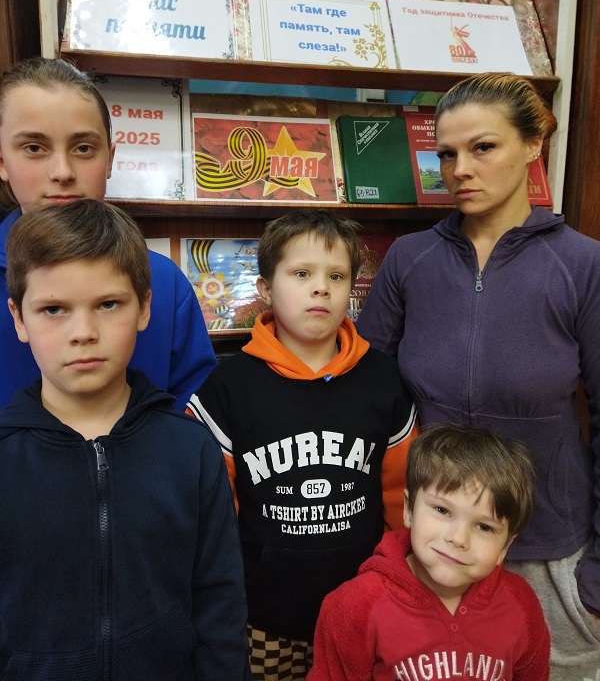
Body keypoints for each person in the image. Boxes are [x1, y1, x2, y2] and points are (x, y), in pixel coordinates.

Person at [357, 72, 600, 680]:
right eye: (446, 154)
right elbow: (361, 397)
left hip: (548, 555)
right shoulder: (410, 260)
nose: (460, 169)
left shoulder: (582, 265)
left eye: (483, 147)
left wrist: (597, 578)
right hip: (430, 546)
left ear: (533, 145)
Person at [0, 198, 250, 680]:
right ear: (19, 318)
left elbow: (220, 602)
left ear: (144, 307)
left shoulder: (192, 451)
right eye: (53, 309)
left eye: (108, 304)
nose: (83, 333)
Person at [187, 208, 417, 681]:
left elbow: (401, 494)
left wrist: (402, 578)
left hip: (365, 602)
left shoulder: (383, 378)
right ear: (265, 288)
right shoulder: (228, 386)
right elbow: (212, 511)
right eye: (301, 274)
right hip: (263, 614)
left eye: (336, 276)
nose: (321, 288)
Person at [0, 56, 216, 410]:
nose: (62, 171)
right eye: (34, 148)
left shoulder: (164, 283)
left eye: (83, 148)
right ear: (2, 161)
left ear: (110, 159)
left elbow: (198, 416)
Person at [307, 423, 550, 681]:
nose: (458, 538)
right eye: (442, 510)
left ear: (505, 547)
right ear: (409, 509)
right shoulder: (354, 606)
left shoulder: (522, 604)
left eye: (484, 527)